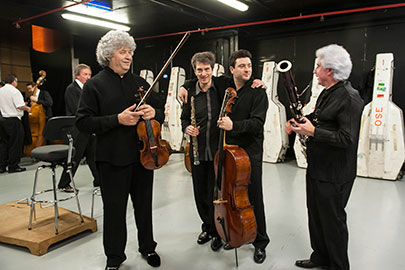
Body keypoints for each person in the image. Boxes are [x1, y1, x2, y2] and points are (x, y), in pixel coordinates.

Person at [76, 30, 163, 270]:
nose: (128, 56)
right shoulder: (94, 85)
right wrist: (117, 119)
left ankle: (148, 247)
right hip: (111, 159)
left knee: (144, 207)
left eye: (130, 51)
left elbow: (161, 110)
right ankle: (114, 257)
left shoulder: (140, 83)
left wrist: (155, 112)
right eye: (122, 51)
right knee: (114, 211)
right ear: (108, 55)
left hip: (144, 156)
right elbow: (83, 122)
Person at [180, 49, 270, 263]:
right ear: (232, 70)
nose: (247, 69)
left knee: (254, 197)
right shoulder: (226, 86)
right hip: (230, 152)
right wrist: (184, 86)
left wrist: (233, 125)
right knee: (231, 197)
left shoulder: (257, 91)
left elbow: (257, 125)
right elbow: (201, 76)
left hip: (250, 153)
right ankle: (233, 232)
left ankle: (260, 241)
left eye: (249, 66)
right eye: (242, 66)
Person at [286, 44, 364, 270]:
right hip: (318, 168)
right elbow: (318, 117)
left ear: (330, 70)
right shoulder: (327, 93)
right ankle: (320, 256)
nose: (314, 71)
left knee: (333, 222)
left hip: (335, 174)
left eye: (318, 66)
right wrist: (298, 122)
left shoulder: (350, 99)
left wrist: (313, 132)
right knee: (317, 217)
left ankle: (339, 266)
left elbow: (346, 139)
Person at [180, 51, 224, 251]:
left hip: (217, 151)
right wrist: (186, 128)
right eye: (199, 70)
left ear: (212, 69)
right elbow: (184, 119)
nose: (203, 73)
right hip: (197, 152)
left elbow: (241, 78)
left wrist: (258, 82)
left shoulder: (220, 88)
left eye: (207, 69)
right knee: (200, 193)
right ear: (194, 71)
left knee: (215, 192)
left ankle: (217, 231)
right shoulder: (190, 94)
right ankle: (207, 227)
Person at [57, 64, 99, 192]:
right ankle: (64, 183)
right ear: (77, 75)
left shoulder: (85, 89)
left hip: (88, 128)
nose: (88, 77)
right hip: (78, 130)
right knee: (75, 158)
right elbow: (78, 111)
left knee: (94, 156)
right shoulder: (72, 89)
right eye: (85, 74)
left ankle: (99, 180)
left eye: (89, 74)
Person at [0, 74, 30, 173]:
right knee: (15, 143)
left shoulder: (1, 90)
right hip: (14, 120)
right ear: (13, 82)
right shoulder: (14, 91)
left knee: (4, 144)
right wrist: (27, 108)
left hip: (3, 119)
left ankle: (2, 166)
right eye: (16, 81)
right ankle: (13, 166)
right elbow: (19, 106)